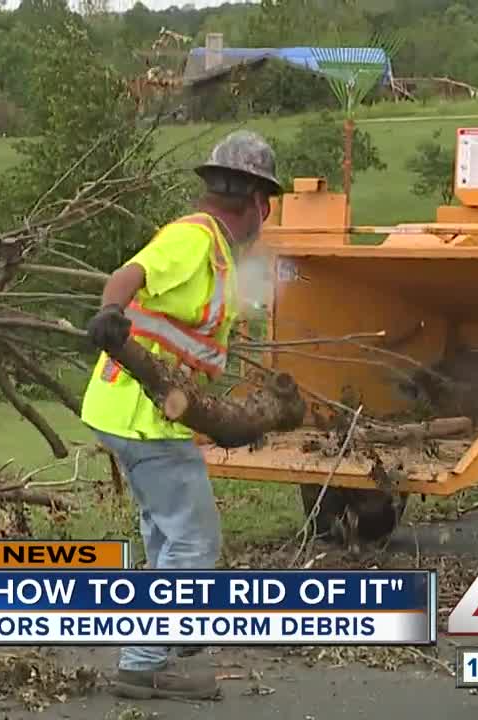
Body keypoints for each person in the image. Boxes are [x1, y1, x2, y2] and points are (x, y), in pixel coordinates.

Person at [80, 130, 282, 700]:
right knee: (194, 542)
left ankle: (167, 639)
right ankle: (144, 662)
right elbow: (128, 274)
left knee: (168, 536)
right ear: (258, 202)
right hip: (141, 416)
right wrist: (110, 315)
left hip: (136, 411)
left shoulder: (214, 249)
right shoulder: (194, 239)